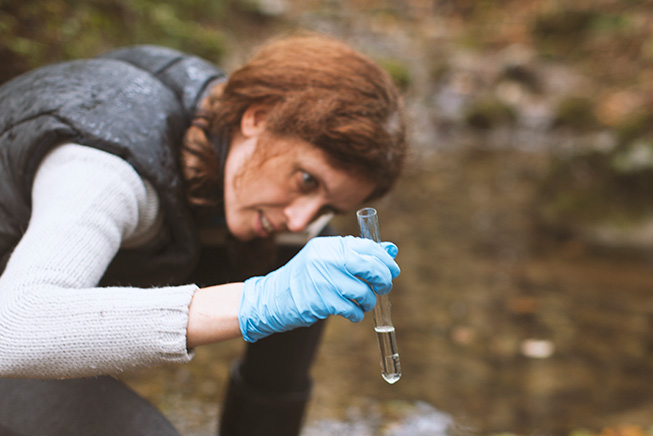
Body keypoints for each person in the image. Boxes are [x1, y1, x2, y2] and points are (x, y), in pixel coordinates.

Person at [0, 32, 407, 436]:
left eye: (328, 205)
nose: (301, 219)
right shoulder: (105, 166)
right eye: (306, 180)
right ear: (257, 118)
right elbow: (14, 323)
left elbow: (275, 385)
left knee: (307, 257)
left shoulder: (232, 151)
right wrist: (255, 302)